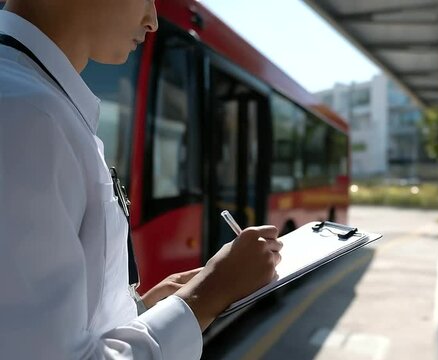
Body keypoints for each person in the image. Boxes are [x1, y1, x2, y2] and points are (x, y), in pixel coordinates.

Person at [0, 0, 283, 358]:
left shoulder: (36, 102)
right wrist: (208, 294)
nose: (152, 21)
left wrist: (142, 309)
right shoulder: (24, 114)